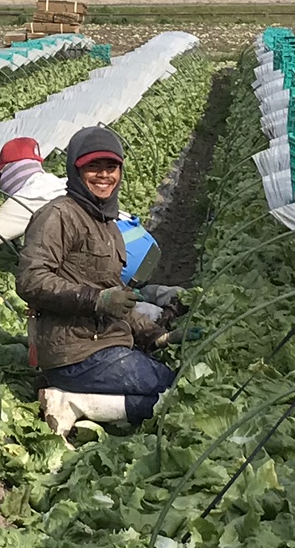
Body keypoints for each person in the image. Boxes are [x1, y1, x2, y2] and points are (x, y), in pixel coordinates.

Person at [17, 126, 177, 437]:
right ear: (75, 170)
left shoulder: (107, 224)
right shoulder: (58, 216)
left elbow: (118, 299)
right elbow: (31, 279)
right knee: (171, 391)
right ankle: (74, 402)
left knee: (170, 387)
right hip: (75, 352)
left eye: (111, 167)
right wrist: (95, 300)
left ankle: (74, 401)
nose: (104, 175)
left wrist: (159, 336)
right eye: (93, 167)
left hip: (104, 344)